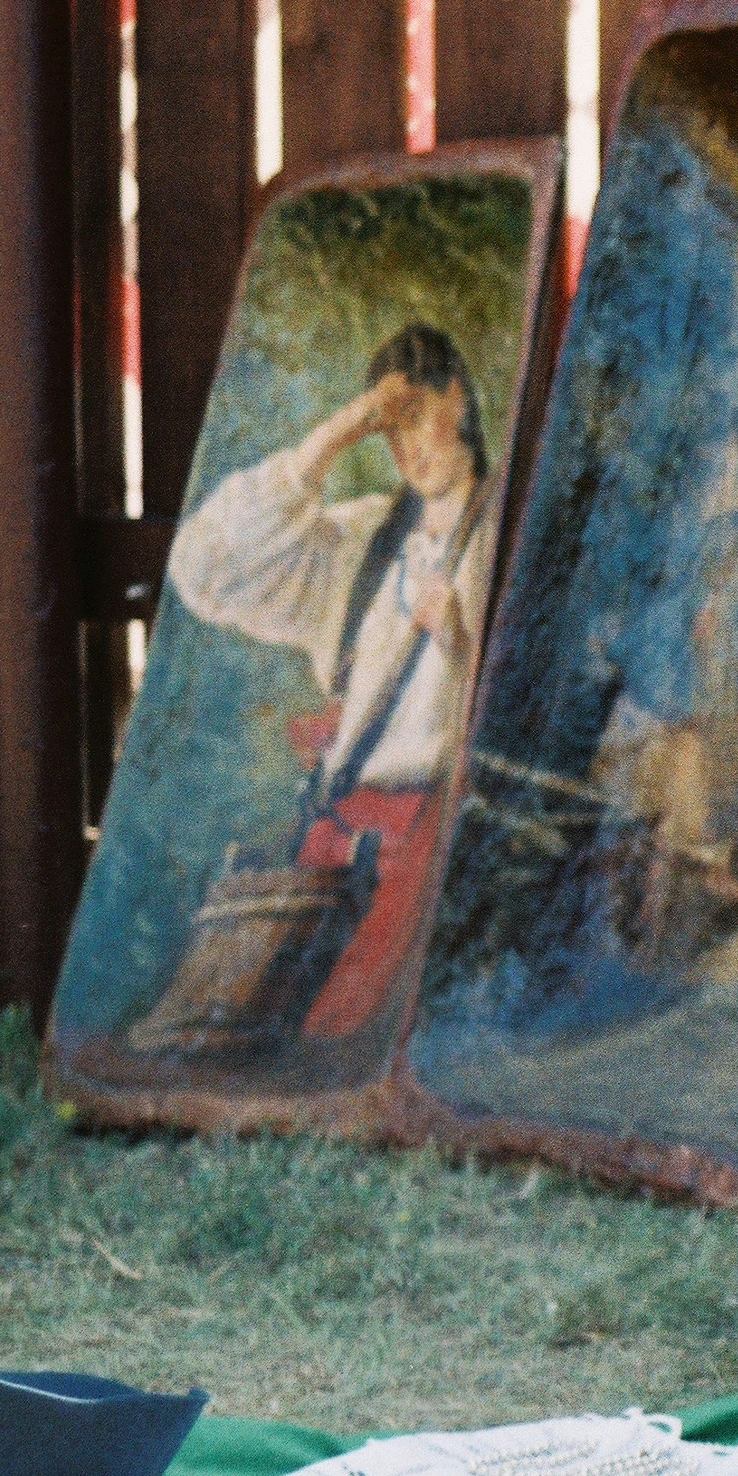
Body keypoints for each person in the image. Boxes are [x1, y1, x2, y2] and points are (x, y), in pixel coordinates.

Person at [160, 324, 498, 1040]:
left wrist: (460, 640)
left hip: (443, 852)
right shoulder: (365, 543)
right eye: (389, 431)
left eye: (416, 418)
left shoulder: (511, 531)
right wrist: (339, 432)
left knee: (345, 1037)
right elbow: (203, 569)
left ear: (458, 398)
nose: (406, 448)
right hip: (337, 850)